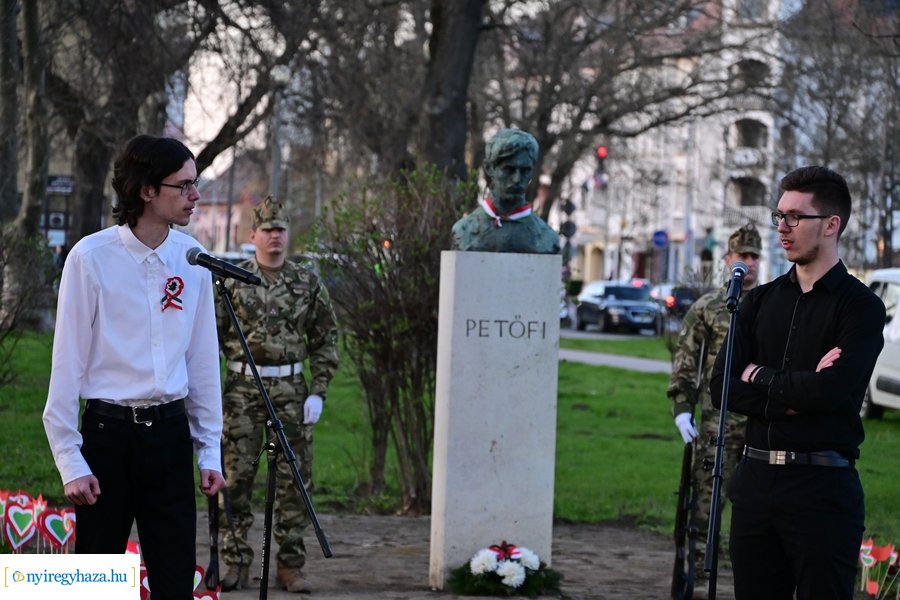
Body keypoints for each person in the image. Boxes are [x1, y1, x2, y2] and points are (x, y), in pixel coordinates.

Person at [42, 134, 226, 599]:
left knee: (174, 579)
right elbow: (67, 363)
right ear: (146, 190)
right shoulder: (91, 258)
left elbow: (202, 360)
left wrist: (209, 449)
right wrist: (70, 460)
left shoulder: (192, 259)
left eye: (195, 184)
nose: (195, 195)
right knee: (96, 584)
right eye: (183, 186)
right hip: (108, 438)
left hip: (169, 437)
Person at [710, 166, 885, 600]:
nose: (782, 228)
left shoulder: (861, 308)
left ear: (831, 225)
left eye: (795, 217)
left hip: (821, 487)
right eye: (779, 216)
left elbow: (833, 392)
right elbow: (722, 386)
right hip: (754, 481)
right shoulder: (759, 301)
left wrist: (761, 375)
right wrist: (792, 390)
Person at [216, 195, 339, 593]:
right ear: (252, 235)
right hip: (241, 391)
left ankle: (290, 565)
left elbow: (326, 340)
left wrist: (318, 391)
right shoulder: (231, 281)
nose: (274, 237)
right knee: (236, 480)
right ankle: (235, 562)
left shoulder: (307, 283)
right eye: (267, 230)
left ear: (288, 234)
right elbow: (205, 341)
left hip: (290, 390)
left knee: (293, 482)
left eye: (280, 230)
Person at [667, 223, 761, 598]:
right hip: (715, 424)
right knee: (705, 505)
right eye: (742, 257)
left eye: (754, 257)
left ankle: (751, 579)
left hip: (760, 427)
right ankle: (699, 579)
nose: (749, 264)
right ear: (727, 261)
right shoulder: (708, 308)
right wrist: (681, 408)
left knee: (755, 509)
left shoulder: (773, 305)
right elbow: (686, 361)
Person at [451, 128, 560, 254]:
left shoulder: (546, 238)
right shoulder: (465, 231)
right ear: (489, 169)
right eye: (508, 169)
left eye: (525, 171)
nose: (517, 179)